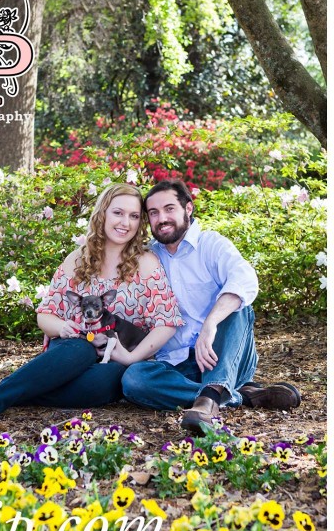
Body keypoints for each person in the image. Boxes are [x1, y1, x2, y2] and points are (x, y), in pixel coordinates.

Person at [0, 183, 183, 426]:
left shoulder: (146, 262)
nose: (125, 223)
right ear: (103, 214)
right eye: (117, 213)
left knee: (104, 382)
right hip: (71, 349)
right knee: (83, 346)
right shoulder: (78, 259)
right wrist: (61, 328)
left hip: (118, 357)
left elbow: (167, 322)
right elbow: (45, 316)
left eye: (133, 216)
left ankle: (2, 389)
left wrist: (131, 357)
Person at [122, 179, 300, 434]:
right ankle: (233, 397)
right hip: (178, 366)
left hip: (223, 355)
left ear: (188, 209)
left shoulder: (212, 244)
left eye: (169, 208)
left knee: (237, 304)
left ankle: (213, 395)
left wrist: (210, 324)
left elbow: (245, 280)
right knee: (134, 380)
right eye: (153, 213)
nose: (162, 218)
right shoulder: (148, 257)